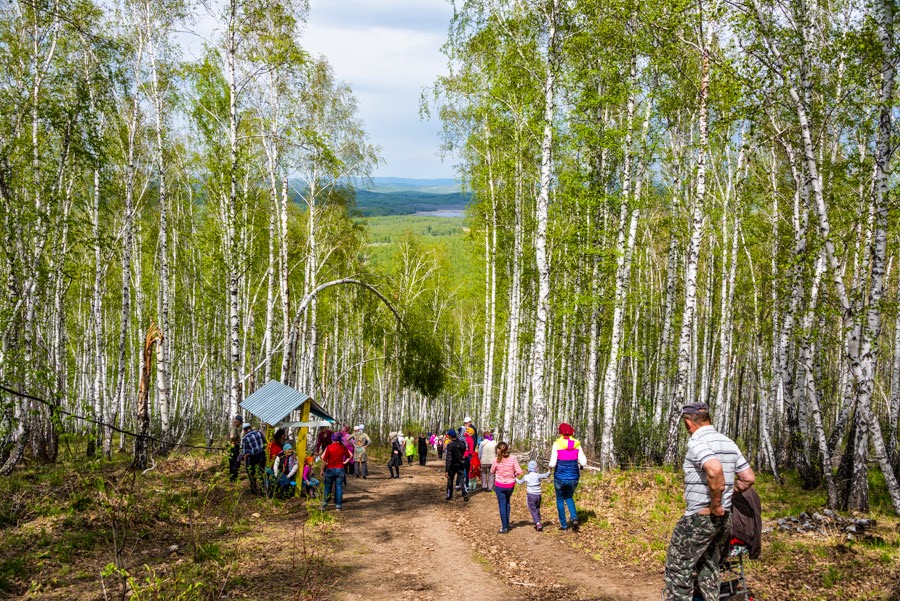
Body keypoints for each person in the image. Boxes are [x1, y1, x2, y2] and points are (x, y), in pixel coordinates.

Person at [663, 402, 756, 601]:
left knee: (678, 569)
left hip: (701, 517)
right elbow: (748, 477)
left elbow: (714, 469)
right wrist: (728, 495)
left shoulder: (697, 442)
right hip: (724, 520)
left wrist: (715, 503)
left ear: (688, 423)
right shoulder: (728, 442)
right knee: (709, 566)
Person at [549, 422, 587, 531]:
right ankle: (574, 517)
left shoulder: (557, 444)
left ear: (560, 432)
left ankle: (564, 525)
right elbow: (584, 462)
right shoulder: (577, 444)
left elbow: (552, 463)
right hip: (574, 477)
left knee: (560, 499)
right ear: (571, 432)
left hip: (560, 477)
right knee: (569, 497)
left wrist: (549, 466)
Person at [490, 441, 522, 533]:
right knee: (507, 502)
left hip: (499, 485)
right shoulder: (513, 458)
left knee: (502, 505)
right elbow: (519, 471)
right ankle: (507, 524)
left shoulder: (496, 460)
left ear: (498, 450)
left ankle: (504, 527)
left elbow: (492, 471)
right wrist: (513, 475)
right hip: (510, 485)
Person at [517, 460, 551, 531]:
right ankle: (538, 520)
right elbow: (546, 475)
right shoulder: (538, 475)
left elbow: (520, 482)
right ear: (536, 468)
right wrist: (549, 470)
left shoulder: (526, 476)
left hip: (531, 495)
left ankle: (538, 523)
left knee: (532, 509)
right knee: (537, 508)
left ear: (529, 468)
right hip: (538, 495)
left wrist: (515, 478)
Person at [321, 432, 352, 510]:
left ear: (333, 439)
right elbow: (349, 456)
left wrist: (322, 470)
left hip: (330, 469)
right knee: (339, 487)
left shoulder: (329, 447)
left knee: (327, 487)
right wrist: (345, 462)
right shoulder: (343, 447)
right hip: (340, 469)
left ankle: (324, 505)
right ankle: (338, 506)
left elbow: (324, 460)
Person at [238, 421, 266, 495]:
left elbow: (245, 452)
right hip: (262, 454)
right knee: (262, 472)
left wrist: (239, 459)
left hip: (253, 457)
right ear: (250, 427)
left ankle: (254, 489)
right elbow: (265, 442)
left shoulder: (245, 438)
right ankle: (264, 489)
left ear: (244, 430)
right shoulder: (259, 433)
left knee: (251, 472)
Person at [444, 429, 469, 502]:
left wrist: (446, 470)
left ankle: (449, 495)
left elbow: (449, 458)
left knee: (450, 480)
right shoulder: (462, 444)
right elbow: (463, 452)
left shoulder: (450, 445)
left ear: (450, 436)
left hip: (452, 465)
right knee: (461, 479)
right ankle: (465, 494)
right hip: (460, 464)